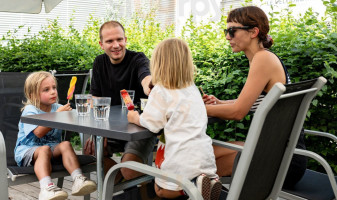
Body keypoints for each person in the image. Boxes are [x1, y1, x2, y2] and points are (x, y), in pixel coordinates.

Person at [202, 6, 307, 189]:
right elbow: (252, 103)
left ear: (253, 32)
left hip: (280, 161)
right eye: (226, 31)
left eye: (232, 31)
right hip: (280, 152)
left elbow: (237, 112)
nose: (227, 37)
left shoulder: (263, 59)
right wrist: (220, 103)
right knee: (205, 153)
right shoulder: (262, 58)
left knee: (201, 170)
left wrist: (194, 108)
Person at [127, 38, 222, 200]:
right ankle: (201, 182)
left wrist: (135, 117)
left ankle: (192, 188)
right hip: (204, 156)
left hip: (180, 158)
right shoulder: (191, 88)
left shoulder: (161, 90)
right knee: (187, 180)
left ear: (158, 64)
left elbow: (152, 124)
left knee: (160, 190)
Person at [85, 20, 156, 182]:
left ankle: (143, 184)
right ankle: (125, 188)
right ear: (101, 44)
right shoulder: (99, 63)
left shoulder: (138, 59)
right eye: (110, 41)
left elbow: (146, 78)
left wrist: (150, 86)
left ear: (125, 40)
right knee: (90, 152)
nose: (116, 45)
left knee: (129, 170)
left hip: (139, 127)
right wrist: (98, 131)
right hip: (110, 128)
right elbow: (94, 99)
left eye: (119, 39)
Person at [14, 71, 97, 200]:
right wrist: (58, 115)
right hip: (27, 151)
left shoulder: (57, 108)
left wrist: (84, 109)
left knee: (65, 144)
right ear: (32, 95)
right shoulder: (30, 110)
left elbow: (77, 119)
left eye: (54, 88)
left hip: (51, 150)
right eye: (46, 90)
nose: (53, 92)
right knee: (44, 150)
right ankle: (46, 187)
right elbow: (39, 133)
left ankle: (78, 179)